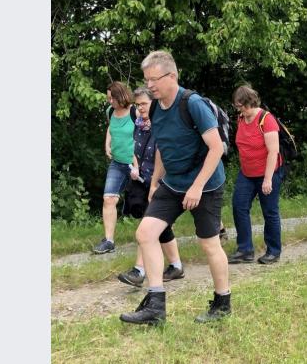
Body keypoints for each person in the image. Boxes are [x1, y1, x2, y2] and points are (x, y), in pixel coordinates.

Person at [120, 50, 231, 325]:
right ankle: (155, 306)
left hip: (204, 184)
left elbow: (217, 148)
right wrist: (156, 181)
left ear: (172, 76)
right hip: (173, 182)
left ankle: (222, 303)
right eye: (147, 80)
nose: (150, 86)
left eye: (154, 79)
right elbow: (163, 147)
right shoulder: (156, 107)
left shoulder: (192, 104)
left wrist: (196, 186)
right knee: (146, 233)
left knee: (209, 244)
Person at [117, 87, 184, 287]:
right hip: (143, 179)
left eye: (144, 103)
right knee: (159, 228)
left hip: (162, 181)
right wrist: (135, 166)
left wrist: (155, 183)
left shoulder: (161, 124)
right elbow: (134, 147)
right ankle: (176, 266)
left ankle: (139, 271)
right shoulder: (139, 124)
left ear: (154, 103)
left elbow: (163, 154)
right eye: (138, 105)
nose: (141, 108)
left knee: (147, 226)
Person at [227, 85, 285, 265]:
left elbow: (273, 151)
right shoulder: (241, 119)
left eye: (240, 106)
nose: (238, 110)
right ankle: (245, 250)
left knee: (270, 211)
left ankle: (273, 251)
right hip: (247, 173)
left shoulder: (266, 119)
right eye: (237, 107)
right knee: (239, 206)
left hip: (268, 173)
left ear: (248, 103)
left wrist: (267, 179)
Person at [93, 81, 135, 254]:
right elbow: (110, 128)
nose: (109, 101)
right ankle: (109, 241)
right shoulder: (110, 111)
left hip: (137, 165)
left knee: (153, 200)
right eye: (108, 98)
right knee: (109, 199)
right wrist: (107, 145)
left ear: (121, 96)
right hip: (117, 163)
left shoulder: (135, 111)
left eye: (112, 98)